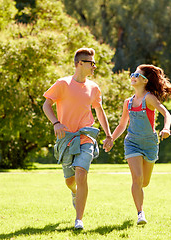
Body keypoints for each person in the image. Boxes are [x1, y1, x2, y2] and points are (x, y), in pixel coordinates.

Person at [42, 48, 113, 230]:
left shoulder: (94, 88)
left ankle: (78, 219)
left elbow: (99, 110)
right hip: (65, 139)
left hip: (86, 136)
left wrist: (108, 134)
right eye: (91, 63)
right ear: (79, 63)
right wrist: (56, 123)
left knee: (81, 173)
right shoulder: (62, 84)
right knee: (70, 180)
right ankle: (74, 192)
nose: (94, 67)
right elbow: (46, 105)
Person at [104, 64, 171, 225]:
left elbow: (167, 113)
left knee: (144, 182)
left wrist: (166, 128)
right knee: (137, 179)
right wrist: (111, 138)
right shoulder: (127, 102)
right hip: (132, 142)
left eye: (136, 75)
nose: (133, 77)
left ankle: (140, 206)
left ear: (145, 81)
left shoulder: (149, 98)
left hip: (150, 143)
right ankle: (140, 214)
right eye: (132, 74)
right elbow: (122, 125)